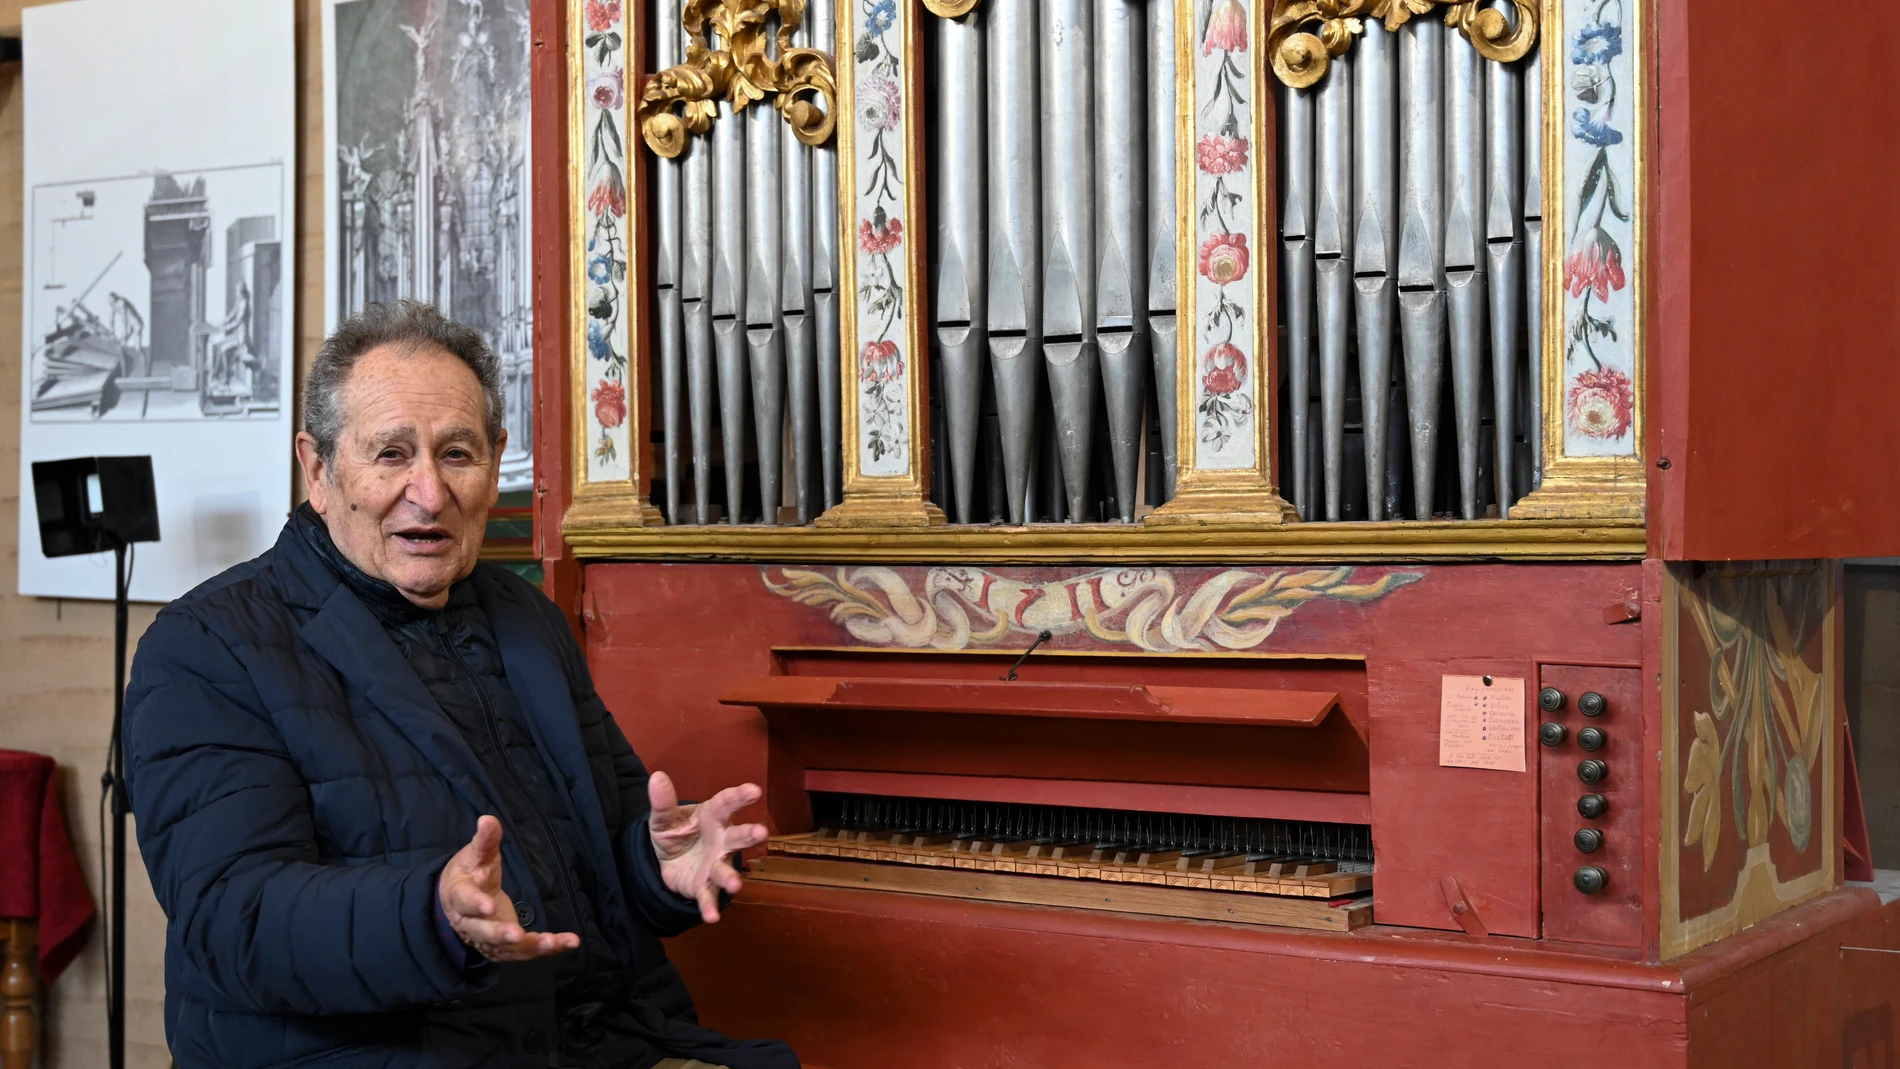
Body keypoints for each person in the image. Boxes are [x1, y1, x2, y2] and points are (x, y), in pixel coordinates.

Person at [125, 301, 797, 1069]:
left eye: (456, 453)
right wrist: (431, 916)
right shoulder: (207, 645)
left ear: (496, 460)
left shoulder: (525, 617)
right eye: (390, 455)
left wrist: (659, 865)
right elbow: (232, 920)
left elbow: (605, 855)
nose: (429, 492)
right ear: (318, 468)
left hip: (605, 1038)